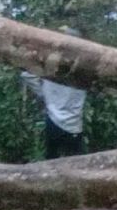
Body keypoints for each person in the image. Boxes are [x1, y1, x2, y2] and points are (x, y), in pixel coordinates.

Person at [20, 26, 88, 159]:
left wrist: (44, 94)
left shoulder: (50, 65)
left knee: (52, 161)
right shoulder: (83, 69)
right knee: (78, 164)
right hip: (73, 125)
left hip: (53, 120)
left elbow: (27, 75)